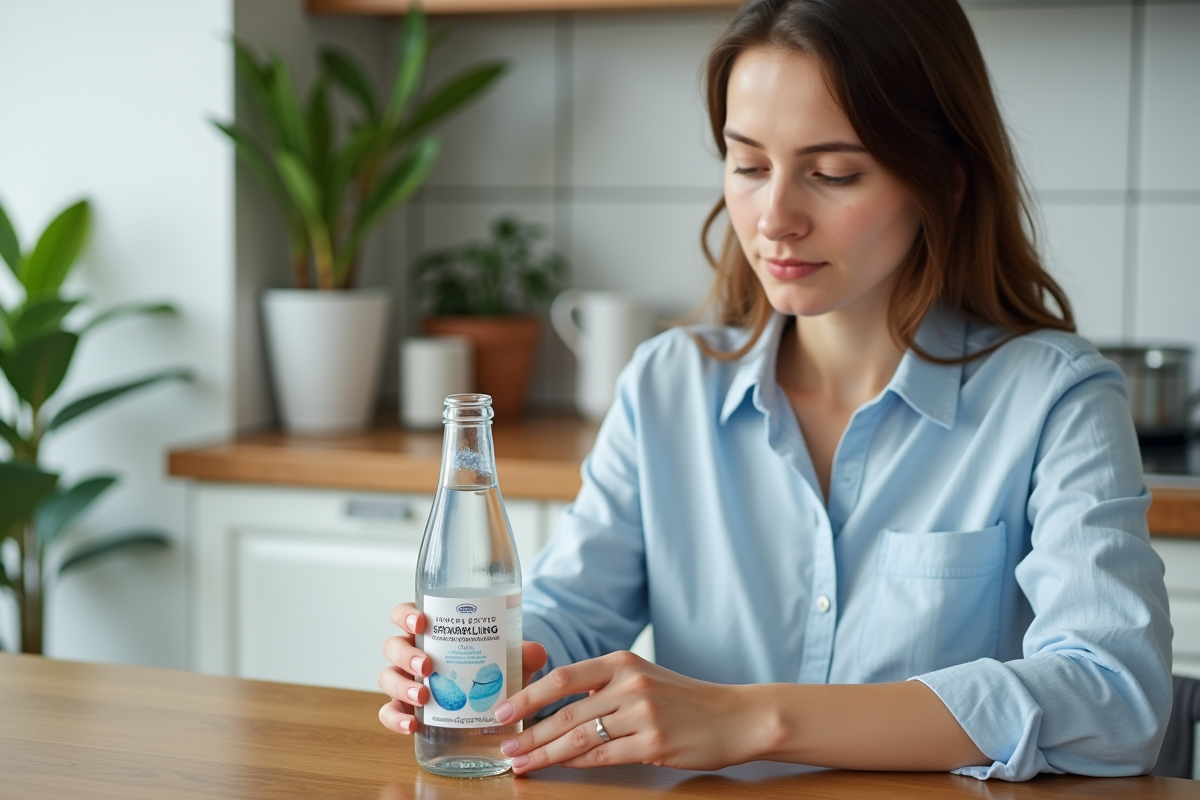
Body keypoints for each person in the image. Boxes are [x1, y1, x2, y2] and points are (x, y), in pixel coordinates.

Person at [379, 0, 1172, 781]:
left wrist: (752, 720)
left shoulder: (1059, 399)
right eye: (749, 166)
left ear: (948, 179)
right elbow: (575, 616)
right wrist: (495, 657)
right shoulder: (668, 385)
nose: (774, 218)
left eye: (832, 173)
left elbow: (1114, 698)